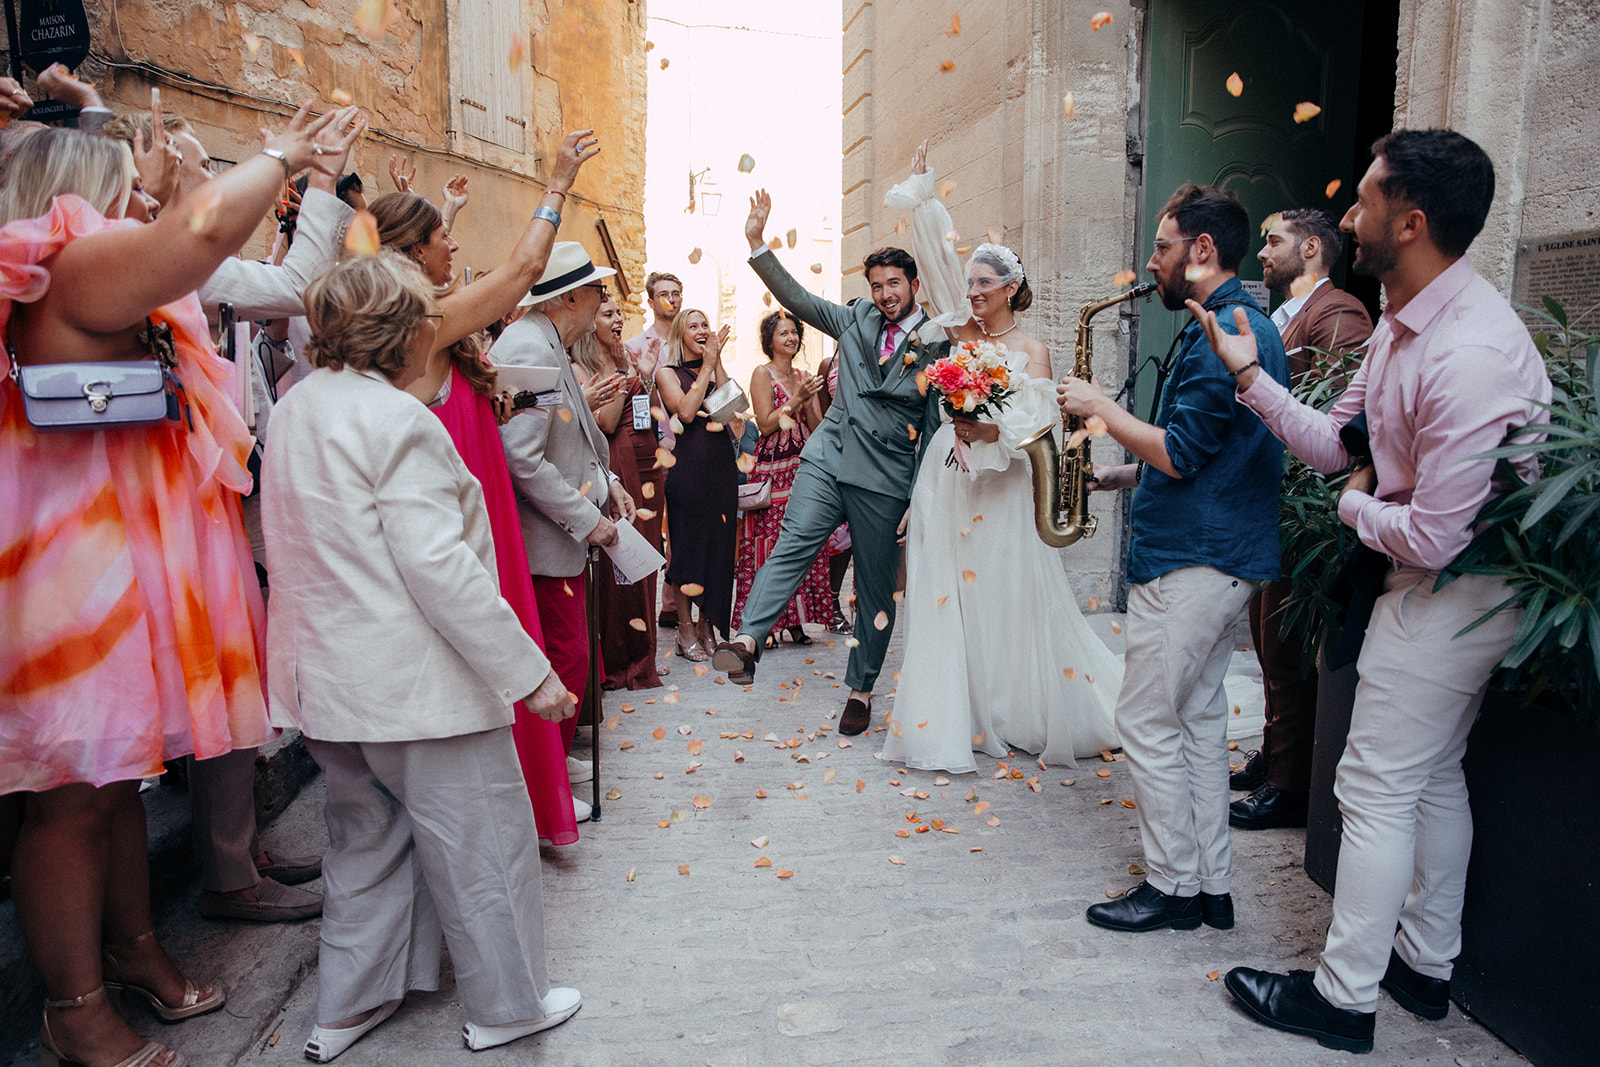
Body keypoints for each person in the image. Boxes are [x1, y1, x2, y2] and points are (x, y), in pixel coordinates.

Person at [0, 107, 336, 1067]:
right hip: (69, 577)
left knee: (110, 786)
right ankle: (73, 1007)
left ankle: (135, 950)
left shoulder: (85, 260)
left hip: (110, 562)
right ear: (77, 188)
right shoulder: (65, 265)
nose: (135, 196)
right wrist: (282, 157)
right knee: (69, 795)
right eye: (123, 182)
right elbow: (199, 237)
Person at [1205, 130, 1552, 1056]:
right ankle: (1425, 965)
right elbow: (1335, 441)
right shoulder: (1402, 319)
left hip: (1455, 589)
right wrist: (1249, 373)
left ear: (1412, 220)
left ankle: (1343, 997)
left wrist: (1357, 508)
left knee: (1375, 784)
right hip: (1428, 579)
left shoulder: (1469, 350)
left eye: (1361, 202)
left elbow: (1435, 530)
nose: (1346, 217)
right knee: (1431, 774)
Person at [262, 253, 583, 1061]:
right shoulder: (400, 421)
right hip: (417, 684)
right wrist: (530, 673)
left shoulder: (295, 406)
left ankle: (344, 1007)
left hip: (330, 681)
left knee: (364, 843)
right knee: (482, 845)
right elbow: (441, 568)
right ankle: (508, 1003)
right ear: (400, 331)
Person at [103, 101, 367, 923]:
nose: (211, 176)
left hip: (210, 489)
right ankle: (226, 872)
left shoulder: (191, 258)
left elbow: (292, 284)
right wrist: (306, 172)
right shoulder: (134, 255)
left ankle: (237, 855)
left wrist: (320, 178)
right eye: (196, 162)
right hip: (149, 501)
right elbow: (290, 285)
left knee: (230, 672)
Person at [1059, 183, 1289, 934]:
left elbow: (1186, 453)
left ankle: (1172, 887)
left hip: (1194, 558)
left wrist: (1100, 407)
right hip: (1220, 556)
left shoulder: (1226, 325)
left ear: (1200, 250)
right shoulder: (1231, 323)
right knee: (1196, 719)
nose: (1149, 261)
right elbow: (1216, 451)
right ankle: (1211, 885)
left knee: (1147, 719)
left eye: (1161, 247)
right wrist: (1124, 470)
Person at [372, 132, 600, 830]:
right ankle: (514, 806)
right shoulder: (420, 322)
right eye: (442, 237)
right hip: (469, 512)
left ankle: (523, 793)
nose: (452, 248)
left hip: (486, 500)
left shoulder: (424, 322)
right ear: (412, 255)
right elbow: (521, 269)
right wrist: (557, 184)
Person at [878, 146, 1121, 772]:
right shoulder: (958, 337)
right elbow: (934, 268)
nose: (974, 292)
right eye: (971, 284)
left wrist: (988, 430)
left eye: (985, 283)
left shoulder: (1033, 349)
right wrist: (927, 201)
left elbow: (1038, 422)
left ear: (1012, 288)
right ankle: (964, 708)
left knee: (1008, 589)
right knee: (951, 594)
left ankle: (1018, 707)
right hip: (953, 478)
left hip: (1008, 482)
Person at [713, 190, 947, 735]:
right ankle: (748, 642)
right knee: (792, 544)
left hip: (886, 478)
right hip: (828, 457)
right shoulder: (855, 319)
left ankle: (861, 690)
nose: (885, 295)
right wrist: (756, 243)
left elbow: (934, 428)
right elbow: (796, 298)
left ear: (914, 285)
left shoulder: (938, 343)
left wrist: (920, 496)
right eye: (876, 286)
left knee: (874, 589)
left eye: (894, 284)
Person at [1231, 207, 1374, 833]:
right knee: (1267, 640)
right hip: (1274, 503)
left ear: (1311, 248)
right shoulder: (1281, 316)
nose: (1263, 253)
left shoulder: (1340, 311)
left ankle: (1291, 783)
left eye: (1274, 241)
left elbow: (1333, 414)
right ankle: (1276, 754)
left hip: (1308, 507)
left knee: (1288, 643)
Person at [496, 241, 634, 806]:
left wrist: (610, 484)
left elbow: (576, 434)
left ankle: (552, 762)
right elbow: (523, 456)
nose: (604, 299)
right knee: (563, 657)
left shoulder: (551, 341)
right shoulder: (530, 346)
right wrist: (587, 520)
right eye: (599, 291)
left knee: (571, 655)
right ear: (573, 295)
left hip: (560, 533)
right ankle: (542, 787)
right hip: (544, 538)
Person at [574, 293, 665, 690]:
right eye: (609, 313)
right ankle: (620, 657)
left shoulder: (626, 358)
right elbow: (607, 423)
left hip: (645, 462)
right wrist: (627, 381)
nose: (618, 320)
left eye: (619, 314)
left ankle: (644, 653)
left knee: (643, 554)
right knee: (619, 563)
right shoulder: (581, 367)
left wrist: (642, 375)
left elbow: (651, 407)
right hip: (615, 462)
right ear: (590, 321)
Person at [733, 309, 831, 646]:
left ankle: (797, 619)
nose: (791, 338)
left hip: (803, 463)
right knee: (771, 542)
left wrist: (813, 400)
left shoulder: (804, 374)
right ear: (770, 341)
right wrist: (797, 398)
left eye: (794, 333)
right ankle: (767, 625)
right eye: (783, 333)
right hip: (773, 465)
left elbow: (816, 425)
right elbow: (766, 423)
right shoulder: (762, 373)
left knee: (803, 539)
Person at [655, 308, 737, 658]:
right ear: (680, 335)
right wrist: (706, 367)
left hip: (721, 472)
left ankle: (708, 626)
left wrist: (717, 365)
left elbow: (736, 425)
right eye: (694, 326)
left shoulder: (716, 374)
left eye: (706, 325)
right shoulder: (667, 373)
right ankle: (685, 628)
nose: (703, 330)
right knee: (688, 551)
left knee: (717, 552)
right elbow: (686, 413)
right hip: (688, 472)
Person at [625, 270, 684, 624]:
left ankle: (673, 602)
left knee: (682, 525)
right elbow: (636, 403)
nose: (671, 300)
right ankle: (653, 603)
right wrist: (652, 436)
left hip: (689, 445)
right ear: (650, 301)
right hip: (653, 445)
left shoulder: (690, 340)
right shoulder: (635, 346)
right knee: (652, 525)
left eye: (676, 293)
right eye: (663, 293)